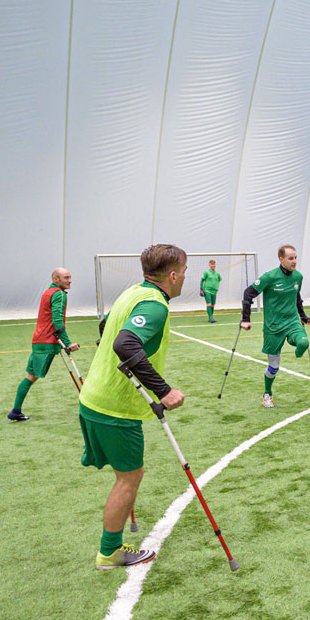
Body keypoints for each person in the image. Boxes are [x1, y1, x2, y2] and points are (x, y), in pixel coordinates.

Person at [80, 244, 187, 569]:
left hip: (94, 397)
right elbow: (124, 342)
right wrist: (163, 391)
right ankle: (109, 552)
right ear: (172, 275)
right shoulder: (155, 305)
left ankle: (111, 548)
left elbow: (106, 328)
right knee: (129, 477)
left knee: (126, 474)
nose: (184, 278)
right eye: (183, 272)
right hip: (115, 408)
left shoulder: (132, 293)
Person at [240, 245, 310, 408]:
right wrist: (246, 318)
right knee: (274, 367)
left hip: (292, 322)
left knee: (303, 342)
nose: (294, 261)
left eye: (295, 258)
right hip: (273, 327)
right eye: (290, 258)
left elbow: (297, 297)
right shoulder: (269, 277)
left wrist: (303, 316)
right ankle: (267, 393)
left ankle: (296, 345)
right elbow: (248, 293)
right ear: (281, 259)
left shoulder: (298, 277)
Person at [7, 268, 80, 421]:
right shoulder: (59, 294)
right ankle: (15, 410)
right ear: (56, 279)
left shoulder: (48, 292)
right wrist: (67, 343)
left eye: (70, 277)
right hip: (47, 342)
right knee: (31, 377)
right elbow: (57, 320)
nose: (70, 280)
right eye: (66, 278)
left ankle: (15, 411)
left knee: (30, 376)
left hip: (38, 340)